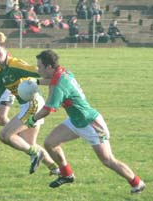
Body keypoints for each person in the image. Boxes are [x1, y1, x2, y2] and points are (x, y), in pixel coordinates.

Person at [25, 49, 146, 193]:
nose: (38, 69)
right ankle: (67, 175)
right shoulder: (63, 72)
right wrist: (36, 82)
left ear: (49, 67)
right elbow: (51, 81)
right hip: (76, 121)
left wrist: (32, 119)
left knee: (107, 160)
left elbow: (48, 109)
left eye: (40, 66)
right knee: (50, 143)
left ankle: (137, 183)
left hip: (91, 124)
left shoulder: (58, 85)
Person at [0, 42, 59, 175]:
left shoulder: (15, 65)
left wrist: (58, 74)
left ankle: (36, 155)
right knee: (28, 143)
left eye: (0, 53)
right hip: (26, 106)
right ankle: (56, 169)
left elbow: (38, 71)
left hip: (33, 104)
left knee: (5, 135)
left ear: (6, 52)